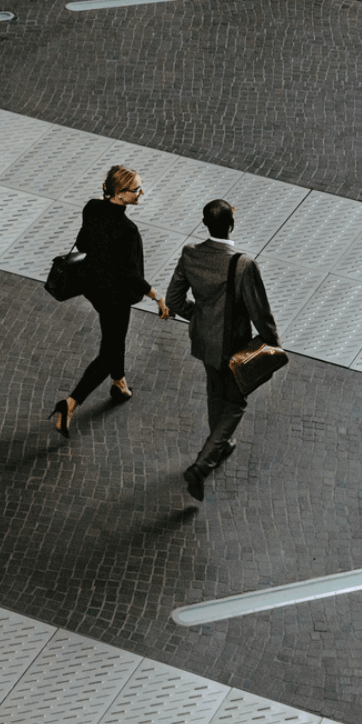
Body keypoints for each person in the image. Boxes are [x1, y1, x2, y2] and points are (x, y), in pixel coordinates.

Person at [163, 198, 279, 501]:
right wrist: (273, 346)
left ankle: (222, 443)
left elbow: (174, 301)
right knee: (236, 404)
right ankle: (202, 465)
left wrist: (198, 316)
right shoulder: (243, 264)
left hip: (203, 341)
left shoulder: (190, 254)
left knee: (215, 391)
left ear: (205, 224)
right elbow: (260, 313)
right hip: (233, 346)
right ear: (232, 224)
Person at [50, 165, 169, 439]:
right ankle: (70, 404)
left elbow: (82, 242)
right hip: (115, 295)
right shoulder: (127, 230)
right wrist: (157, 296)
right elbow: (132, 275)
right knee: (109, 351)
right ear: (119, 193)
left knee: (115, 336)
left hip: (93, 288)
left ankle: (119, 383)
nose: (140, 193)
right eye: (135, 189)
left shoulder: (91, 207)